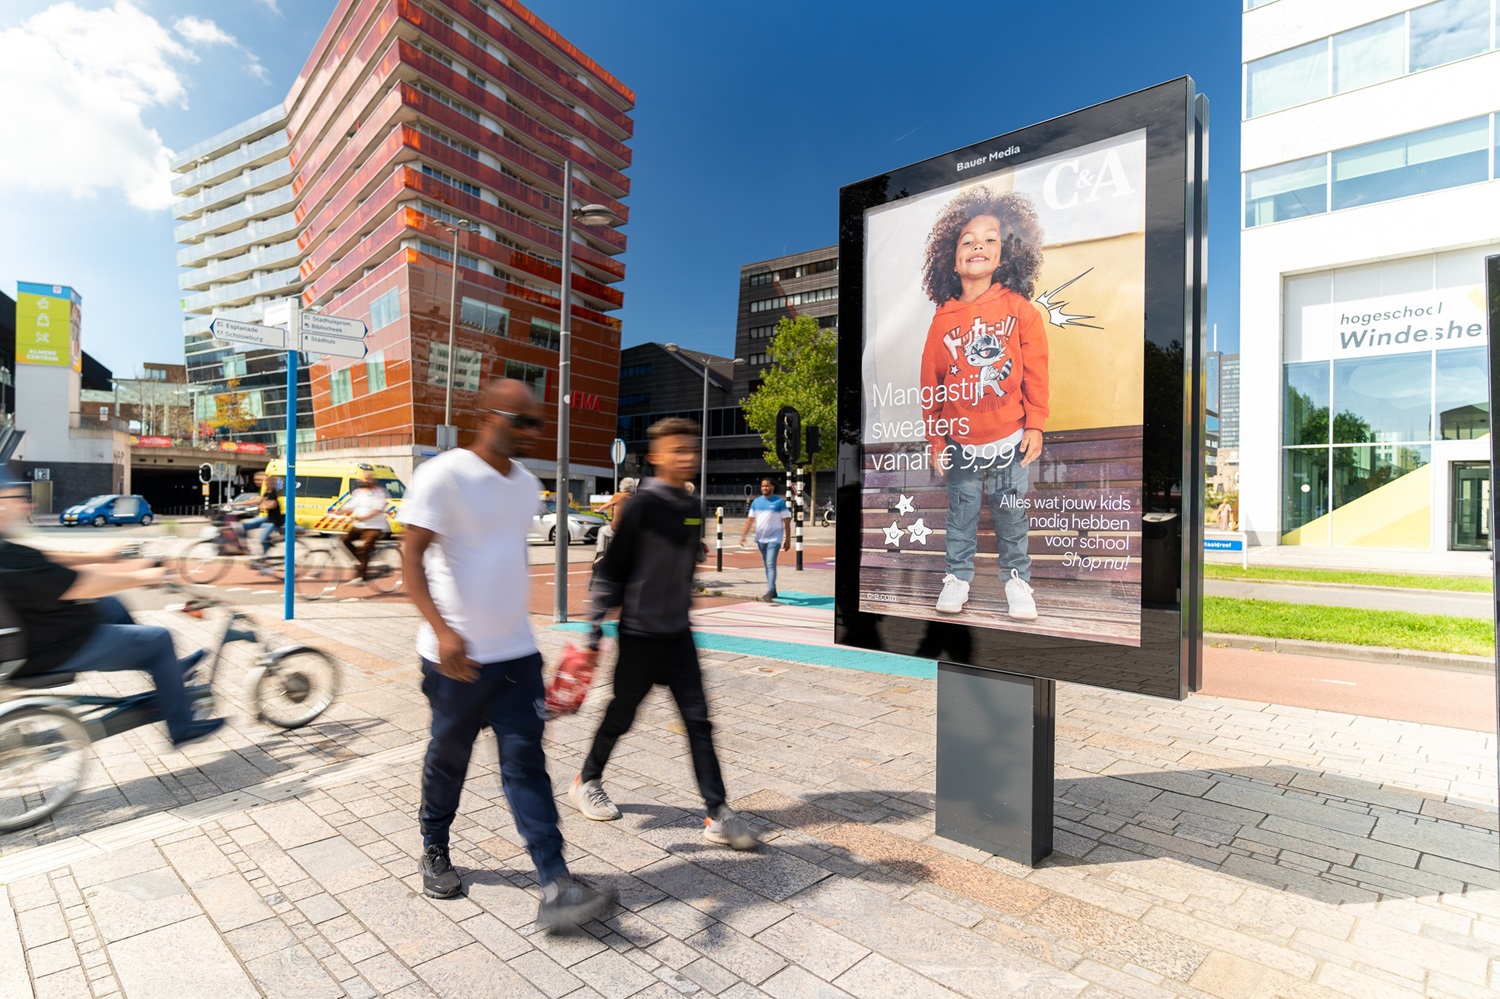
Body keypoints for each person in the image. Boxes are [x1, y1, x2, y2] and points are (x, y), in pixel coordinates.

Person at [400, 378, 615, 931]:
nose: (533, 433)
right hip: (455, 660)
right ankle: (434, 845)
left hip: (517, 656)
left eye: (537, 422)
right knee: (449, 759)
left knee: (527, 767)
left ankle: (555, 880)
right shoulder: (441, 475)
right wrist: (443, 632)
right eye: (524, 422)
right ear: (488, 417)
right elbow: (411, 560)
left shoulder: (526, 484)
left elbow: (505, 559)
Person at [568, 418, 759, 851]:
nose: (687, 457)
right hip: (639, 635)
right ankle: (586, 779)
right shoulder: (640, 506)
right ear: (656, 456)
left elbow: (688, 560)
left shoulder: (693, 508)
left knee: (699, 723)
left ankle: (717, 812)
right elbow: (611, 572)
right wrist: (593, 633)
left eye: (692, 450)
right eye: (678, 451)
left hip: (678, 636)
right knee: (621, 715)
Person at [0, 481, 221, 747]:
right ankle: (183, 727)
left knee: (109, 603)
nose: (29, 504)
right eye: (19, 497)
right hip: (52, 646)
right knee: (159, 640)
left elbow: (45, 559)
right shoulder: (8, 558)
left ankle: (166, 672)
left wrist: (101, 556)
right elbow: (78, 585)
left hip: (38, 632)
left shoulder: (7, 551)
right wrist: (144, 575)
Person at [919, 186, 1048, 621]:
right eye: (967, 240)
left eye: (990, 239)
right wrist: (936, 441)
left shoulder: (1021, 310)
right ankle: (957, 578)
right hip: (960, 446)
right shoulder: (942, 319)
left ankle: (1017, 582)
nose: (978, 245)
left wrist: (1036, 424)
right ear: (950, 258)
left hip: (1011, 440)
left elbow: (1036, 371)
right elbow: (931, 385)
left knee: (1011, 517)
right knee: (962, 517)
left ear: (1005, 253)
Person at [739, 478, 791, 601]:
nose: (764, 488)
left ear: (772, 487)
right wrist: (743, 536)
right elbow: (750, 520)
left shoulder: (779, 502)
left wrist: (788, 539)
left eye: (767, 486)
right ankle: (773, 588)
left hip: (775, 538)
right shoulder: (756, 502)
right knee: (767, 565)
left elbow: (787, 522)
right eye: (763, 486)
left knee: (770, 563)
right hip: (761, 539)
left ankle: (770, 590)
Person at [338, 469, 389, 582]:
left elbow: (378, 509)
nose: (364, 481)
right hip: (360, 525)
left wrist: (364, 517)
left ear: (372, 480)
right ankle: (363, 561)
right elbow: (351, 505)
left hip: (374, 527)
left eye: (367, 478)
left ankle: (361, 576)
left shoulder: (379, 493)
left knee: (363, 548)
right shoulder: (358, 493)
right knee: (345, 539)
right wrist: (339, 512)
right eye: (363, 478)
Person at [590, 477, 637, 589]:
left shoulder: (618, 496)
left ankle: (600, 553)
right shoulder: (634, 498)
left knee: (602, 530)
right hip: (629, 531)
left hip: (615, 530)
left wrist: (599, 510)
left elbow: (608, 504)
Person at [237, 474, 281, 557]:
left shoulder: (274, 492)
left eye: (264, 481)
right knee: (243, 525)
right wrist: (237, 504)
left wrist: (263, 506)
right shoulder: (267, 491)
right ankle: (245, 548)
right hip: (268, 518)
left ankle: (265, 558)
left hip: (274, 521)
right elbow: (258, 500)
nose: (257, 482)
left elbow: (273, 504)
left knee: (261, 539)